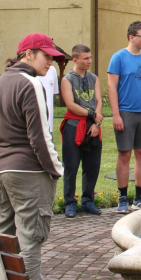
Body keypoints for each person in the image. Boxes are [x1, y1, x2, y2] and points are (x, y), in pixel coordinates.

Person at [0, 33, 64, 280]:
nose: (50, 63)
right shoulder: (30, 83)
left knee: (3, 235)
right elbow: (40, 136)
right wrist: (56, 169)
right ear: (28, 54)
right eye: (46, 56)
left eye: (53, 58)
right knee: (30, 237)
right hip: (27, 171)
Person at [108, 21, 141, 213]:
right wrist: (116, 114)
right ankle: (123, 197)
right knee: (125, 154)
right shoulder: (118, 58)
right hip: (125, 112)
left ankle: (140, 197)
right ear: (132, 37)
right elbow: (112, 87)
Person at [60, 44, 103, 217]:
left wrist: (96, 123)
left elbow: (98, 101)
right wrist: (91, 114)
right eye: (86, 58)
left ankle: (88, 200)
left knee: (92, 166)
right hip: (74, 125)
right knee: (71, 166)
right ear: (75, 60)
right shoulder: (67, 80)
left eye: (90, 58)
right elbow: (71, 104)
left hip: (93, 126)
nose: (89, 61)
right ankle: (70, 202)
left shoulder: (94, 78)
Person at [37, 64, 60, 133]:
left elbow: (53, 93)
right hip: (33, 127)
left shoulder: (52, 70)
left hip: (49, 126)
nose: (50, 62)